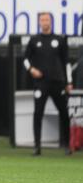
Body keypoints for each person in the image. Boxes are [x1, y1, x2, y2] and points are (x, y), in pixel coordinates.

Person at [24, 12, 73, 156]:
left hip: (58, 82)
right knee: (37, 113)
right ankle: (37, 146)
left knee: (64, 113)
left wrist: (68, 81)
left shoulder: (59, 40)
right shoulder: (34, 40)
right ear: (39, 22)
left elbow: (66, 62)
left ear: (50, 21)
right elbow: (25, 59)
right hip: (41, 83)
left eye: (47, 19)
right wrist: (31, 69)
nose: (44, 22)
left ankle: (67, 145)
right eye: (42, 19)